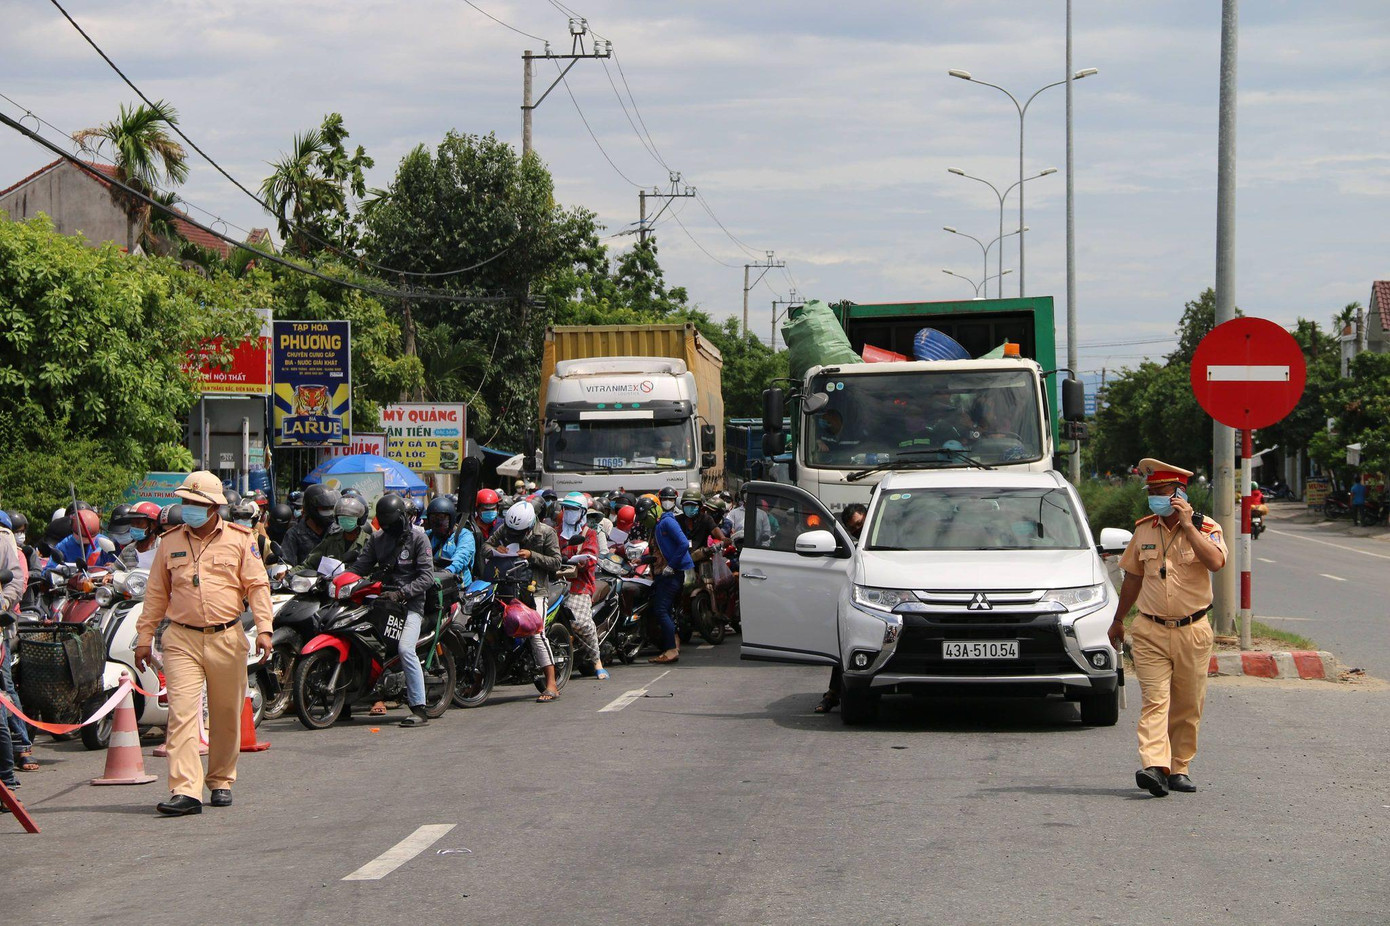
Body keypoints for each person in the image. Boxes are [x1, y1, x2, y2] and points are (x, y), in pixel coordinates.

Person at [133, 472, 273, 816]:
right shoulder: (169, 541)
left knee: (226, 713)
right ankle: (186, 791)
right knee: (181, 714)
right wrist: (144, 637)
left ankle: (221, 779)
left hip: (227, 636)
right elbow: (155, 594)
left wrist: (265, 628)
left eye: (196, 504)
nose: (189, 509)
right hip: (181, 638)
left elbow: (257, 585)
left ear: (214, 507)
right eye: (186, 502)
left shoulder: (241, 539)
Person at [1108, 458, 1227, 798]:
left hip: (1193, 629)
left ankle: (1179, 767)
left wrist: (1190, 526)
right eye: (1151, 492)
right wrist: (1119, 620)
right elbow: (1133, 577)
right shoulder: (1144, 529)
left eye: (1160, 492)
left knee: (1188, 704)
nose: (1153, 498)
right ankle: (1155, 767)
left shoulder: (1207, 529)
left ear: (1178, 493)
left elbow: (1217, 562)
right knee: (1155, 701)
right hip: (1150, 630)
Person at [350, 494, 436, 727]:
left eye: (392, 524)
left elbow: (427, 577)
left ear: (403, 518)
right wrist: (338, 576)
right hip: (381, 604)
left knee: (405, 649)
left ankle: (419, 708)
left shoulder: (419, 539)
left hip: (411, 606)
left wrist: (401, 593)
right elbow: (360, 567)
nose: (388, 528)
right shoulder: (377, 538)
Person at [486, 501, 565, 701]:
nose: (514, 535)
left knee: (537, 633)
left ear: (530, 525)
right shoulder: (507, 528)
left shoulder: (547, 533)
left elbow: (556, 562)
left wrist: (532, 555)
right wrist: (496, 550)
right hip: (507, 588)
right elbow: (486, 546)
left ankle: (551, 683)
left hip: (535, 590)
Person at [814, 503, 867, 714]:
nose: (858, 531)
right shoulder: (852, 544)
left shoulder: (886, 530)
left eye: (860, 525)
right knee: (846, 646)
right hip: (857, 599)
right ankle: (833, 694)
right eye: (854, 529)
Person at [556, 493, 608, 680]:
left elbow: (591, 558)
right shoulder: (555, 532)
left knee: (582, 623)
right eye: (566, 508)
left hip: (579, 586)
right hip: (555, 584)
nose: (569, 512)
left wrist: (578, 561)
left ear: (582, 512)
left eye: (573, 509)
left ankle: (597, 662)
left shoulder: (590, 534)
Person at [649, 496, 693, 664]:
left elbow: (683, 544)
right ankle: (669, 648)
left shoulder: (668, 522)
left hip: (672, 574)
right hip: (664, 573)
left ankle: (671, 650)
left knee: (661, 610)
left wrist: (671, 566)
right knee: (664, 610)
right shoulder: (658, 525)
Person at [303, 496, 370, 572]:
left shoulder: (369, 543)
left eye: (350, 517)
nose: (345, 519)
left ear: (361, 518)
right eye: (342, 516)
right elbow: (309, 564)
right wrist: (290, 573)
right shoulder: (331, 540)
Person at [279, 485, 339, 566]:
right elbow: (286, 562)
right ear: (311, 509)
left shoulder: (338, 531)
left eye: (332, 508)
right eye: (324, 509)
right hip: (303, 577)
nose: (329, 513)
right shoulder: (294, 534)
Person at [43, 508, 115, 576]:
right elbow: (48, 571)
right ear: (72, 530)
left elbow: (118, 566)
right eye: (81, 537)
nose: (85, 542)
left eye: (90, 538)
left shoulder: (105, 544)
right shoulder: (63, 546)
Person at [424, 496, 475, 580]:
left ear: (451, 519)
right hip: (432, 583)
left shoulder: (463, 535)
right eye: (433, 518)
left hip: (458, 587)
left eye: (442, 518)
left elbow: (461, 557)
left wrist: (448, 571)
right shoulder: (427, 536)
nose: (438, 523)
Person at [115, 502, 164, 570]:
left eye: (139, 523)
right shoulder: (128, 550)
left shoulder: (163, 547)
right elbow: (114, 571)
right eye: (132, 523)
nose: (135, 527)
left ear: (153, 525)